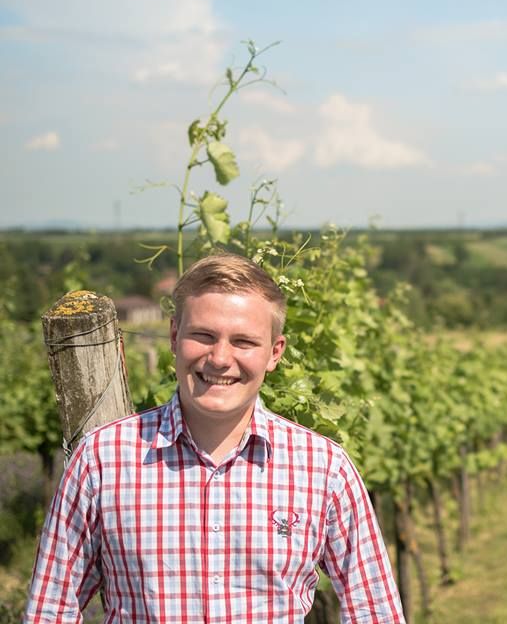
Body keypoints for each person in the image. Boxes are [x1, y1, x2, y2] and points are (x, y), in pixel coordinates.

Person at [24, 253, 405, 623]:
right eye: (203, 336)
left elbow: (375, 611)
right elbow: (51, 609)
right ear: (174, 337)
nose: (220, 358)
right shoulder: (102, 460)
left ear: (275, 353)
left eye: (243, 342)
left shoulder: (324, 469)